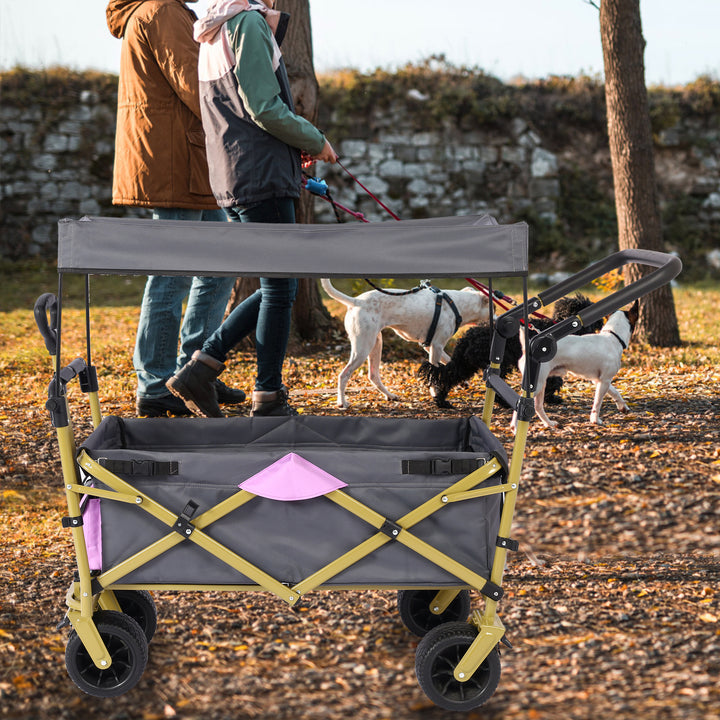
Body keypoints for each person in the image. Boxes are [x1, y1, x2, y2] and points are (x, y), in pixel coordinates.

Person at [165, 0, 336, 417]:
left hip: (232, 174)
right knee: (280, 289)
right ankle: (267, 394)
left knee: (277, 284)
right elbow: (263, 108)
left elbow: (234, 112)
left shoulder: (210, 31)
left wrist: (291, 150)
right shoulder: (246, 24)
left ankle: (203, 368)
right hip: (261, 175)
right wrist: (314, 140)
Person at [107, 0, 246, 417]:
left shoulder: (162, 11)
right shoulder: (162, 11)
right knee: (170, 276)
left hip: (188, 162)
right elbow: (196, 84)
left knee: (219, 267)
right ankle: (154, 383)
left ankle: (193, 370)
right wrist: (244, 125)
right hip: (172, 162)